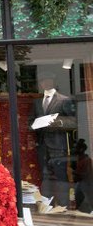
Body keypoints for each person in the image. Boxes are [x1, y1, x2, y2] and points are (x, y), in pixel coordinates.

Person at [30, 72, 77, 206]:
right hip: (41, 144)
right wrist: (33, 126)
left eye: (48, 80)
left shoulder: (64, 100)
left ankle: (63, 204)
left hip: (58, 144)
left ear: (53, 82)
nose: (45, 83)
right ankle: (47, 204)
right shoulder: (37, 102)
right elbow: (30, 121)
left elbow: (73, 122)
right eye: (42, 81)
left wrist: (59, 123)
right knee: (44, 175)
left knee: (61, 175)